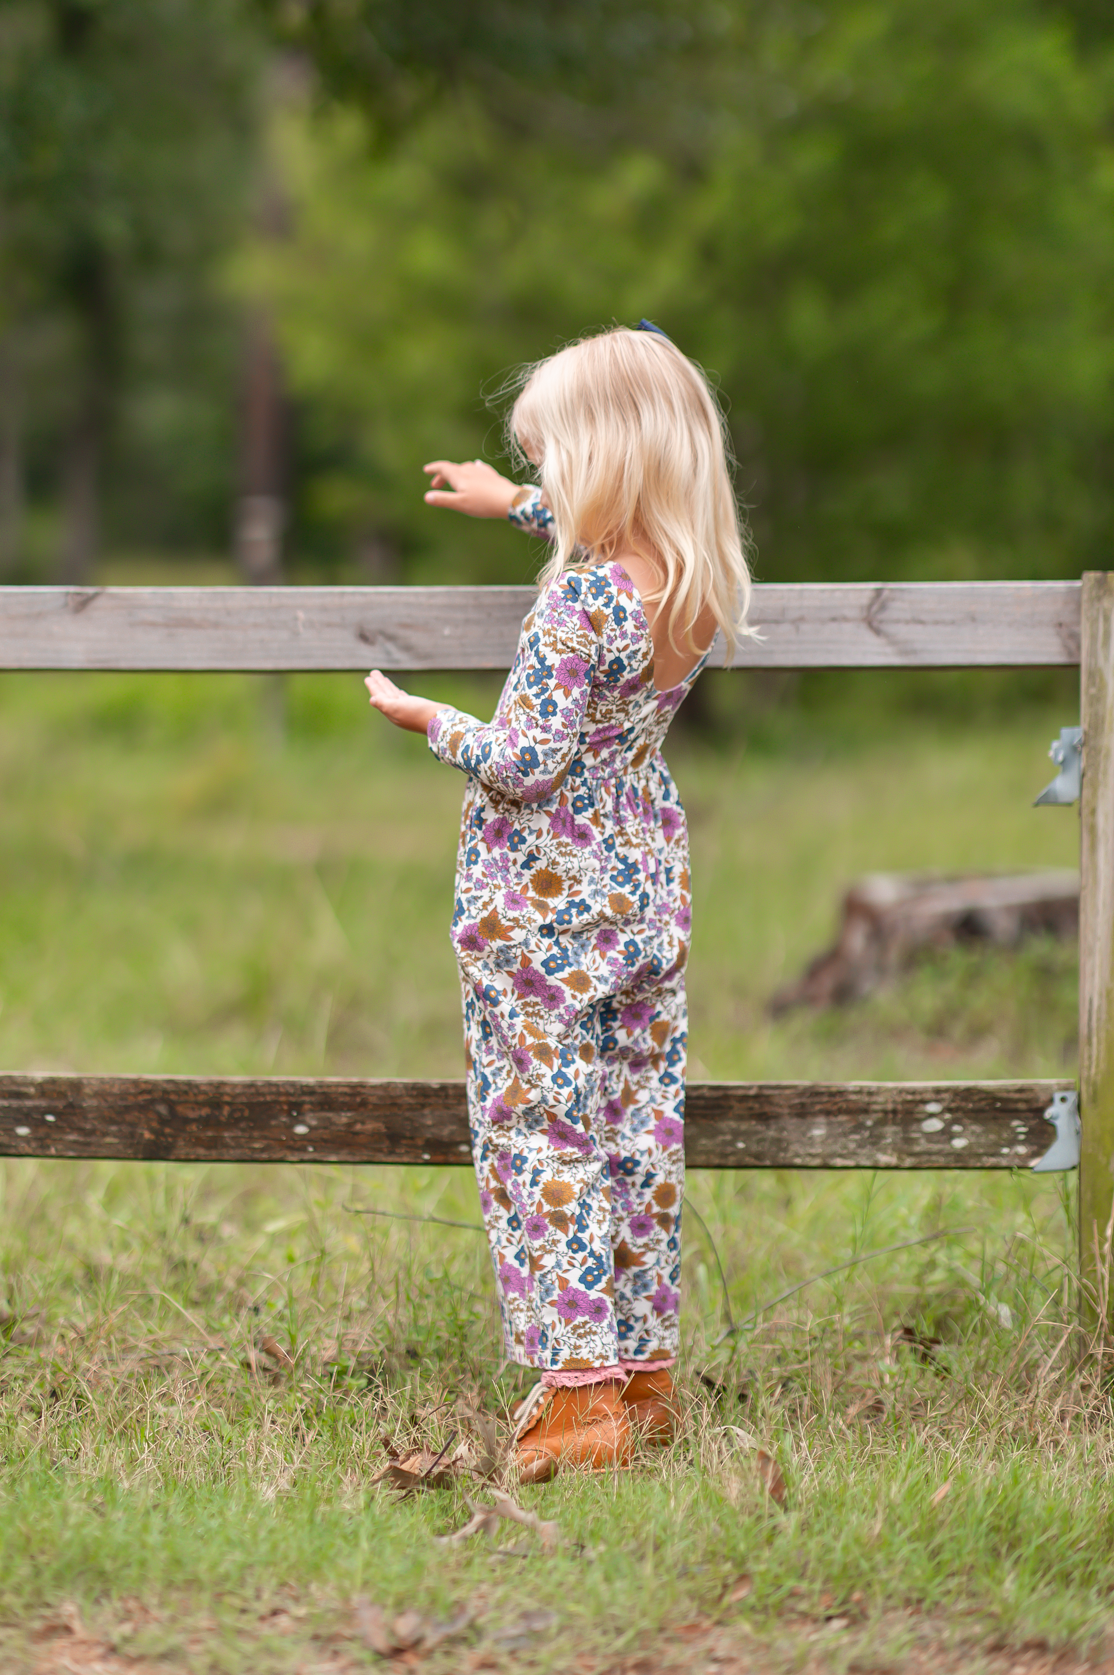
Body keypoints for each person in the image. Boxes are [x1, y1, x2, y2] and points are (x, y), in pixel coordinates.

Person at [364, 325, 752, 1482]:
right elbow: (607, 530)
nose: (543, 485)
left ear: (605, 464)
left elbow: (527, 760)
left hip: (542, 912)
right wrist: (511, 508)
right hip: (641, 889)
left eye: (549, 464)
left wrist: (427, 717)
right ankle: (642, 1374)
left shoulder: (581, 604)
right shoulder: (695, 579)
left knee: (545, 1136)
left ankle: (578, 1397)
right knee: (636, 1128)